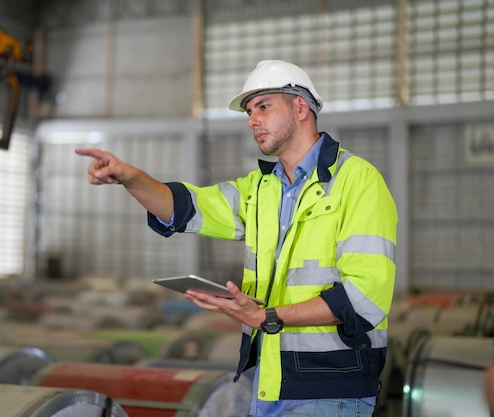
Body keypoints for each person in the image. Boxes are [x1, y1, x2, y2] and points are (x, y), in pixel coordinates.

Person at [76, 60, 398, 417]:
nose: (252, 121)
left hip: (330, 389)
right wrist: (130, 177)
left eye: (263, 106)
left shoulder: (358, 181)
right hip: (267, 384)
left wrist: (268, 316)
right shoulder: (260, 189)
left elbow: (365, 297)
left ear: (301, 107)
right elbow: (186, 207)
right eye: (249, 111)